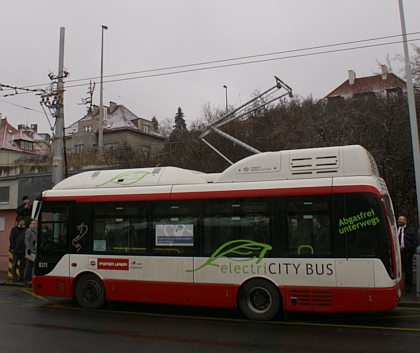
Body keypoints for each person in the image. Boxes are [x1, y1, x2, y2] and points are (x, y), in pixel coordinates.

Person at [397, 216, 419, 292]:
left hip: (407, 252)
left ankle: (408, 285)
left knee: (408, 269)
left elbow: (415, 241)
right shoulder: (396, 230)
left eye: (401, 219)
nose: (399, 221)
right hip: (398, 252)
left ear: (405, 221)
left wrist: (415, 252)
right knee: (398, 269)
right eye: (399, 219)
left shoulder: (410, 231)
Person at [9, 216, 27, 282]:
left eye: (23, 221)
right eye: (21, 221)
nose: (23, 222)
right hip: (16, 250)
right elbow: (11, 239)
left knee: (23, 265)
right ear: (18, 222)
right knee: (14, 264)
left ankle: (21, 277)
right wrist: (14, 247)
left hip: (23, 250)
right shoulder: (14, 229)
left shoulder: (25, 229)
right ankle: (15, 277)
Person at [24, 219, 37, 285]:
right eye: (33, 223)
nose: (34, 225)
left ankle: (30, 278)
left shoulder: (36, 231)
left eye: (35, 223)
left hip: (35, 250)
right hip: (31, 251)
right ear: (30, 224)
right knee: (30, 265)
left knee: (33, 265)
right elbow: (26, 240)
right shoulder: (29, 231)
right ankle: (27, 278)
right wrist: (28, 248)